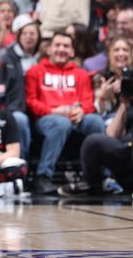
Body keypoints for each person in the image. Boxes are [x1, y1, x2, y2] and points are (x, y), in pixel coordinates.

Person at [25, 32, 105, 194]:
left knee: (95, 121)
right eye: (57, 45)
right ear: (49, 49)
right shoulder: (35, 71)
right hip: (46, 120)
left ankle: (98, 176)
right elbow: (31, 101)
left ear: (72, 52)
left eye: (66, 46)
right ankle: (43, 176)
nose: (61, 49)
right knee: (61, 123)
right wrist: (52, 111)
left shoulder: (81, 74)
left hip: (76, 119)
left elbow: (88, 101)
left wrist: (82, 111)